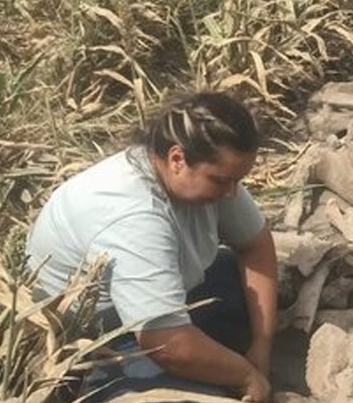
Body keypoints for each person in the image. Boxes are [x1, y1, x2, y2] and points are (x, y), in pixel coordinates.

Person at [26, 92, 278, 402]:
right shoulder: (131, 213)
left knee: (241, 281)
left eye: (237, 181)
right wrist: (246, 374)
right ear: (177, 159)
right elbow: (166, 343)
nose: (231, 193)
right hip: (100, 343)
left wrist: (262, 345)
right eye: (221, 181)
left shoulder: (210, 177)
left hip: (160, 310)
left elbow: (256, 246)